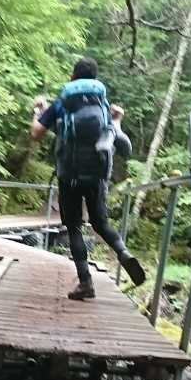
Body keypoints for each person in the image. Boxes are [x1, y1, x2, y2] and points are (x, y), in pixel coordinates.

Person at [30, 57, 146, 300]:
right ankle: (122, 252)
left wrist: (38, 112)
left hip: (69, 175)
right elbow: (118, 139)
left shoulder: (62, 103)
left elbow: (36, 134)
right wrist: (117, 120)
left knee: (74, 227)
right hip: (97, 175)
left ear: (73, 76)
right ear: (95, 79)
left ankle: (85, 282)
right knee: (100, 223)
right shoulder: (102, 105)